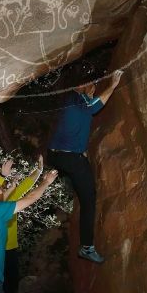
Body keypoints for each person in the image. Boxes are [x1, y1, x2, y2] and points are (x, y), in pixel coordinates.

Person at [47, 69, 123, 263]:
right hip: (69, 159)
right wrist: (112, 85)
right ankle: (87, 248)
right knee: (89, 200)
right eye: (91, 84)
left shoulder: (74, 102)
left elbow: (79, 123)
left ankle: (74, 186)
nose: (94, 87)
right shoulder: (77, 98)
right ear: (80, 85)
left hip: (59, 156)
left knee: (80, 174)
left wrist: (81, 149)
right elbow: (94, 107)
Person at [0, 156, 44, 293]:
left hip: (11, 249)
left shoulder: (11, 196)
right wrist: (2, 175)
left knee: (12, 283)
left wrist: (38, 171)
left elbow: (28, 184)